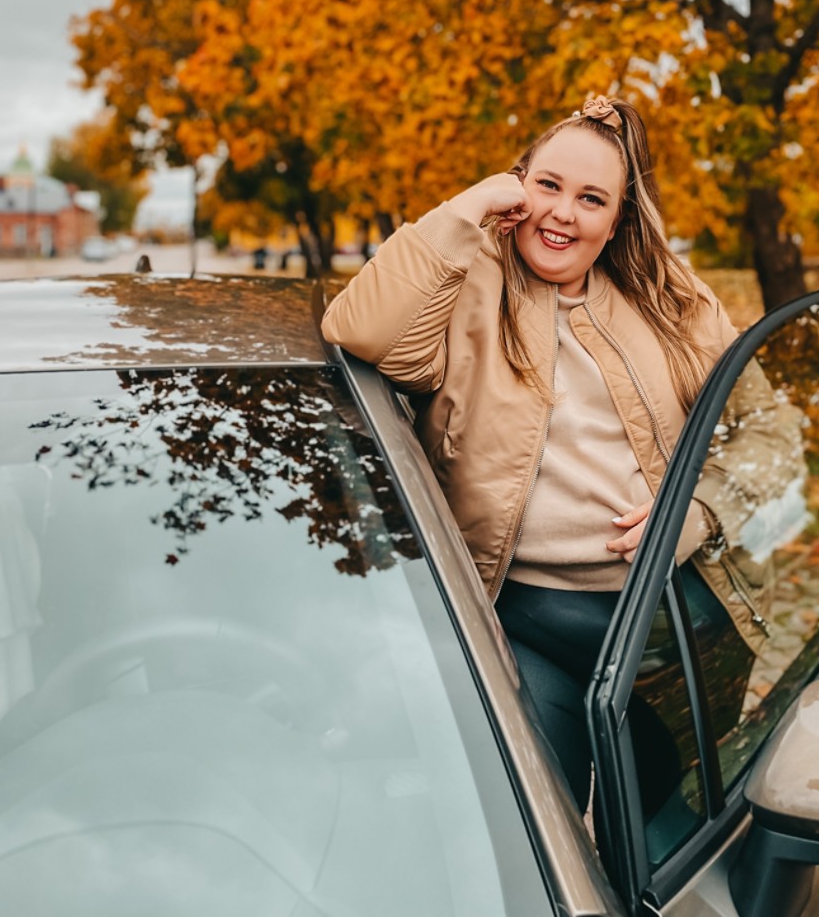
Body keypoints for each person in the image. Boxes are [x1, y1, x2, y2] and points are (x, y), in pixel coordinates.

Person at [321, 96, 776, 818]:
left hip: (667, 629)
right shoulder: (465, 286)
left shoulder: (670, 299)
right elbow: (359, 330)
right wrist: (470, 205)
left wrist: (701, 508)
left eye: (592, 198)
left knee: (675, 821)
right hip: (518, 620)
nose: (563, 213)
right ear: (517, 183)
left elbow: (770, 426)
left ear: (619, 218)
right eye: (548, 186)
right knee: (539, 822)